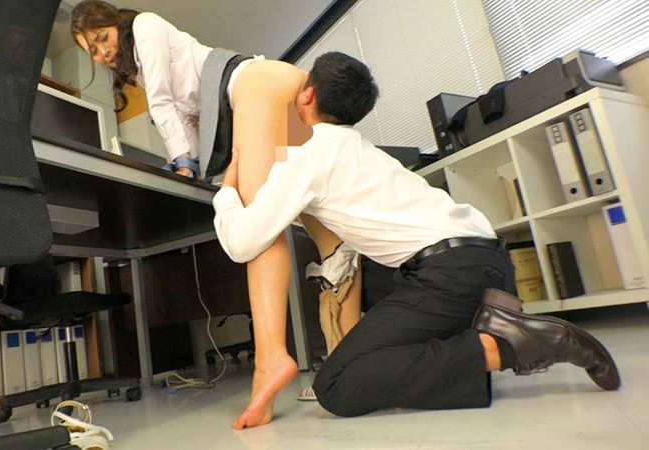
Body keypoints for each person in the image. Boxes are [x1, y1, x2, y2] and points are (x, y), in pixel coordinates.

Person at [214, 51, 620, 420]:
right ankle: (488, 336)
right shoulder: (363, 150)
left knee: (335, 385)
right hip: (491, 266)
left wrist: (228, 192)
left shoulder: (305, 156)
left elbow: (243, 243)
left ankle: (512, 345)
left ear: (307, 95)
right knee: (380, 309)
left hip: (449, 276)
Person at [70, 1, 358, 429]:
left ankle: (271, 360)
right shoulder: (145, 56)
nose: (101, 53)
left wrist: (183, 162)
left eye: (102, 39)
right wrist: (192, 159)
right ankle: (350, 361)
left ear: (117, 23)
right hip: (283, 86)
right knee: (325, 229)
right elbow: (190, 116)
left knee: (260, 223)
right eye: (91, 50)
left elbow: (163, 103)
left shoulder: (145, 26)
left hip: (257, 88)